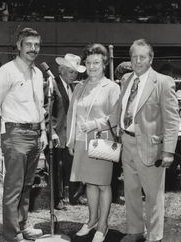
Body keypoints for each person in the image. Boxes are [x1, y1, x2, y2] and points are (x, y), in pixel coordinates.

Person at [109, 39, 179, 242]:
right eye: (134, 57)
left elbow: (172, 120)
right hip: (127, 144)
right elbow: (120, 108)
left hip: (151, 147)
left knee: (153, 196)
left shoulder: (163, 82)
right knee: (130, 192)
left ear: (151, 59)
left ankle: (155, 236)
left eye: (142, 57)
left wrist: (168, 151)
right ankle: (135, 231)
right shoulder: (126, 79)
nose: (138, 61)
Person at [0, 28, 48, 242]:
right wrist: (6, 135)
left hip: (35, 133)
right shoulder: (7, 71)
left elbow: (39, 107)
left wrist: (42, 133)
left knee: (27, 185)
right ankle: (12, 234)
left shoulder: (38, 73)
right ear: (19, 46)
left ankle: (22, 225)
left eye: (37, 45)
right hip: (14, 133)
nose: (33, 49)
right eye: (29, 44)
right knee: (13, 188)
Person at [66, 43, 120, 242]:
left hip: (102, 141)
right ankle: (91, 221)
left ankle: (103, 226)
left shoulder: (112, 87)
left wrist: (94, 124)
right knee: (89, 183)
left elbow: (115, 117)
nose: (92, 66)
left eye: (96, 62)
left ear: (104, 63)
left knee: (103, 184)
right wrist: (71, 141)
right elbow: (72, 115)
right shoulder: (79, 86)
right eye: (88, 63)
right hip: (81, 141)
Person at [44, 53, 87, 210]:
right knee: (57, 168)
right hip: (56, 134)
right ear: (61, 70)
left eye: (76, 72)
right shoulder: (51, 84)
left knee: (73, 165)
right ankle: (58, 199)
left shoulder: (74, 87)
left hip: (70, 134)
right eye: (71, 72)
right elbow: (46, 111)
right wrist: (51, 132)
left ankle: (74, 196)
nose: (74, 75)